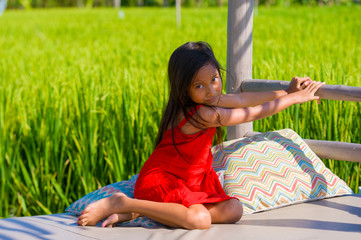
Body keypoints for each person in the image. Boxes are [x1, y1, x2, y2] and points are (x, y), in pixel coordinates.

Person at [77, 41, 324, 229]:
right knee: (200, 220)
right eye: (199, 86)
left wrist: (285, 91)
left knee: (234, 210)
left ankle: (146, 211)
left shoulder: (210, 100)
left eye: (214, 79)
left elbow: (241, 98)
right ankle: (124, 204)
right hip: (162, 180)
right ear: (183, 89)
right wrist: (295, 98)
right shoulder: (200, 114)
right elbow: (251, 112)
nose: (210, 90)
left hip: (191, 182)